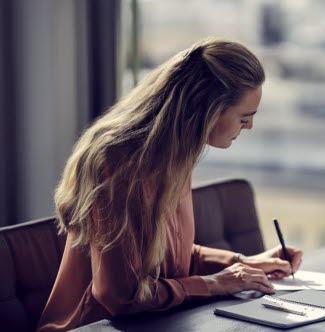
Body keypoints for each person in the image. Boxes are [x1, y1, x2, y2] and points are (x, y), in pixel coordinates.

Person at [37, 38, 303, 332]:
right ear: (209, 109)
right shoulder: (115, 164)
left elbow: (168, 254)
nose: (250, 126)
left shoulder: (175, 157)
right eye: (244, 117)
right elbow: (119, 296)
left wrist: (245, 263)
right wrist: (214, 284)